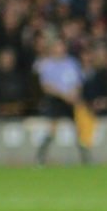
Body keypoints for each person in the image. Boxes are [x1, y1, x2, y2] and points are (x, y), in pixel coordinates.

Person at [33, 37, 89, 166]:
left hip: (72, 100)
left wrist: (75, 94)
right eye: (58, 46)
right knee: (52, 128)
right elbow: (46, 86)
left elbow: (78, 82)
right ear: (52, 48)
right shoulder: (47, 65)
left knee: (78, 128)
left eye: (62, 46)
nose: (61, 49)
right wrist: (64, 95)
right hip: (56, 100)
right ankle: (41, 156)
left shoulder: (72, 63)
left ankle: (85, 157)